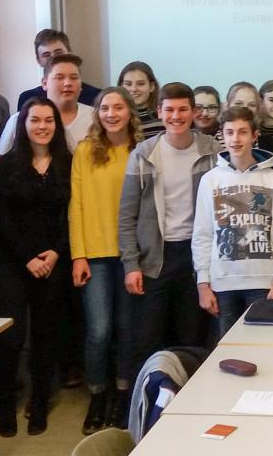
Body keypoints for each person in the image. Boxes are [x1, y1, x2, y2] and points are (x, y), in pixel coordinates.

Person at [119, 82, 220, 372]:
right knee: (148, 338)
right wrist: (131, 264)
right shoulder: (144, 154)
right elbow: (127, 215)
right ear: (159, 112)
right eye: (170, 110)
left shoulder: (211, 150)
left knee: (192, 336)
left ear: (193, 112)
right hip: (155, 259)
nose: (176, 116)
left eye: (183, 109)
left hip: (196, 255)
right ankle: (146, 404)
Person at [0, 97, 72, 437]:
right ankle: (7, 402)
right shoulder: (8, 164)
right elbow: (3, 217)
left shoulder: (69, 162)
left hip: (54, 260)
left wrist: (55, 252)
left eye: (48, 121)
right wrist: (27, 258)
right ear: (23, 125)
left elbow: (73, 213)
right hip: (12, 261)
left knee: (45, 335)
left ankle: (39, 402)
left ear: (56, 125)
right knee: (11, 337)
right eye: (35, 120)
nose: (42, 126)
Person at [69, 87, 142, 433]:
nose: (111, 114)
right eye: (104, 108)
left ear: (129, 112)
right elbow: (77, 206)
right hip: (95, 255)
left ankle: (124, 394)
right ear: (97, 114)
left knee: (128, 330)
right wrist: (78, 255)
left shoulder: (141, 150)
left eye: (118, 107)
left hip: (131, 256)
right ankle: (98, 394)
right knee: (99, 331)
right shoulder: (85, 151)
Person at [192, 107, 273, 335]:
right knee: (227, 353)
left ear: (254, 136)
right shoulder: (210, 180)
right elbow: (203, 234)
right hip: (222, 283)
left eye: (242, 132)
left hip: (263, 282)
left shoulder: (272, 179)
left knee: (262, 349)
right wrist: (202, 283)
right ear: (222, 136)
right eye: (230, 132)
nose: (236, 139)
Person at [0, 54, 95, 154]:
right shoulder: (19, 119)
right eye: (59, 78)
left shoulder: (95, 118)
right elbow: (1, 163)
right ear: (44, 83)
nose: (67, 83)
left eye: (74, 78)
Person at [16, 29, 100, 108]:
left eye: (58, 52)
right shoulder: (27, 99)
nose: (54, 58)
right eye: (46, 55)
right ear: (38, 61)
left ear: (69, 53)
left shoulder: (96, 96)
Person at [224, 81, 273, 170]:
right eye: (238, 103)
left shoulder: (269, 144)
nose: (245, 109)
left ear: (258, 109)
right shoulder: (213, 143)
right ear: (228, 105)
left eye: (252, 105)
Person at [118, 61, 164, 138]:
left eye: (141, 84)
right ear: (121, 87)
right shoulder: (116, 117)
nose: (134, 89)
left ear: (152, 86)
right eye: (128, 84)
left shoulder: (163, 115)